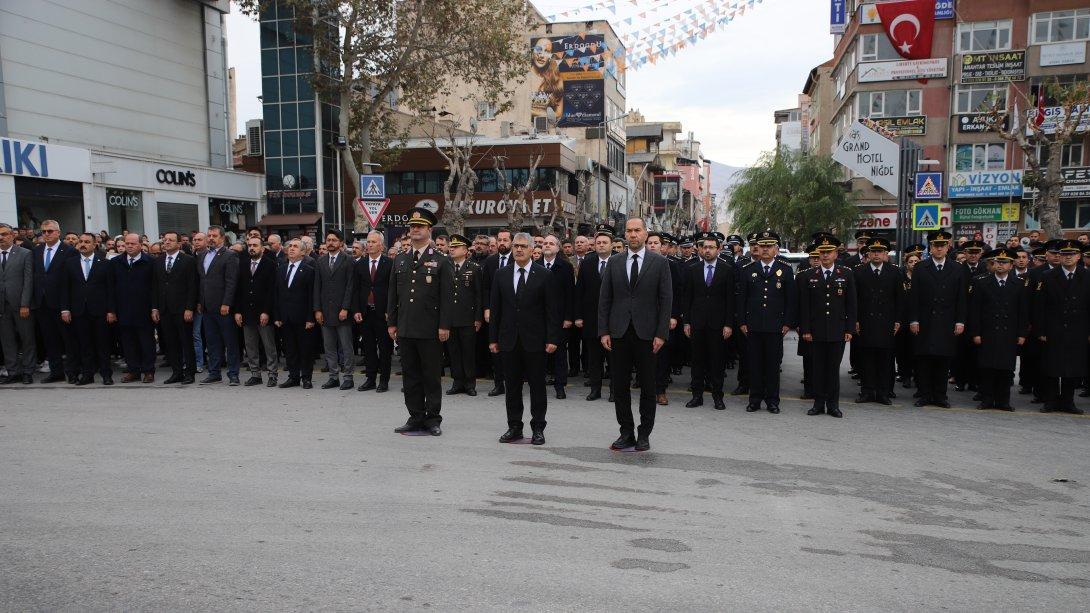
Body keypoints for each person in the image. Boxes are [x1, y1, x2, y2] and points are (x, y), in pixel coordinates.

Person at [598, 218, 672, 452]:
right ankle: (626, 432)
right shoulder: (615, 262)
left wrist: (661, 333)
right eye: (629, 231)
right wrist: (604, 331)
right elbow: (605, 299)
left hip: (648, 334)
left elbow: (665, 300)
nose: (632, 235)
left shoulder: (659, 263)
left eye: (637, 230)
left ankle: (644, 433)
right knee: (619, 386)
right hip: (619, 332)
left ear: (645, 233)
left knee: (648, 387)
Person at [489, 232, 560, 445]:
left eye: (522, 246)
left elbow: (552, 311)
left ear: (532, 250)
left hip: (536, 341)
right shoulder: (501, 274)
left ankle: (538, 427)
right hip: (508, 340)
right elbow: (496, 309)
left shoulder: (544, 275)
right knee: (512, 387)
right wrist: (493, 339)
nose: (518, 249)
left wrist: (552, 338)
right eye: (515, 246)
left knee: (537, 386)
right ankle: (514, 426)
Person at [387, 207, 453, 436]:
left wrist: (444, 325)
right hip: (405, 327)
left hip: (430, 329)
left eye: (420, 226)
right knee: (411, 376)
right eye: (412, 226)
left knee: (431, 376)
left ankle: (433, 419)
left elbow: (447, 298)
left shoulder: (441, 261)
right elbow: (392, 294)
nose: (415, 230)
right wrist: (392, 323)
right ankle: (415, 416)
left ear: (429, 230)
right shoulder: (401, 260)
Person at [796, 233, 856, 417]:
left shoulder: (845, 274)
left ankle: (833, 405)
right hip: (816, 331)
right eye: (822, 252)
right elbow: (804, 306)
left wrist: (849, 328)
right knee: (818, 369)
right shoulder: (808, 275)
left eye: (829, 252)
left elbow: (851, 304)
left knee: (833, 369)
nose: (825, 256)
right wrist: (805, 329)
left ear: (836, 254)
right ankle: (817, 404)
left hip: (837, 331)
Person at [737, 230, 796, 414]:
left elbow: (790, 300)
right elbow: (742, 299)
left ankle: (772, 400)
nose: (764, 249)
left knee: (772, 366)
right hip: (753, 326)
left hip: (775, 327)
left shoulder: (785, 270)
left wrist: (787, 323)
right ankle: (755, 399)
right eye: (762, 246)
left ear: (776, 249)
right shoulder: (748, 270)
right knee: (754, 364)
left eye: (769, 246)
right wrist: (742, 322)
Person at [908, 230, 968, 408]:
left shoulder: (957, 268)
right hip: (925, 321)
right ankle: (925, 394)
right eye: (936, 246)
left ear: (948, 247)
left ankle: (940, 396)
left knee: (943, 360)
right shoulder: (921, 267)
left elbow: (961, 298)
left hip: (947, 321)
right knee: (925, 360)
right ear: (931, 248)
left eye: (943, 245)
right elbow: (914, 297)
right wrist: (913, 320)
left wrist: (960, 321)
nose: (939, 249)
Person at [968, 248, 1027, 411]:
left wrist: (1022, 333)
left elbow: (1023, 311)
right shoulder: (982, 283)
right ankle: (987, 399)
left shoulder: (1019, 284)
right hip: (988, 332)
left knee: (1006, 368)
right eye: (997, 262)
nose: (1000, 265)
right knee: (987, 368)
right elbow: (975, 310)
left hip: (1009, 333)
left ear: (1011, 265)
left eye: (1004, 262)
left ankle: (1003, 401)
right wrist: (976, 333)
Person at [1034, 239, 1089, 414]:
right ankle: (1050, 401)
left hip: (1077, 330)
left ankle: (1068, 402)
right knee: (1052, 367)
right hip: (1053, 329)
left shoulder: (1087, 276)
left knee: (1072, 368)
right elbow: (1039, 306)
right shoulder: (1047, 276)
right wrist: (1041, 330)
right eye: (1064, 254)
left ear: (1079, 256)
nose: (1067, 258)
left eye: (1071, 254)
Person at [682, 231, 734, 411]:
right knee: (697, 362)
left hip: (718, 325)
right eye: (704, 247)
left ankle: (718, 397)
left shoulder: (727, 270)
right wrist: (686, 322)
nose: (707, 250)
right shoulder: (692, 269)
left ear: (718, 249)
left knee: (717, 362)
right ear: (700, 249)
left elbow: (730, 300)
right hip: (697, 323)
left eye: (711, 247)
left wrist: (728, 324)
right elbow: (687, 298)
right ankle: (697, 396)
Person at [58, 233, 113, 385]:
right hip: (78, 310)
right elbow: (65, 288)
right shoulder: (70, 263)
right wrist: (65, 309)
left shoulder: (105, 263)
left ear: (95, 244)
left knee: (103, 344)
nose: (83, 244)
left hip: (100, 310)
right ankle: (87, 375)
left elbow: (110, 289)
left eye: (87, 242)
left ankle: (106, 375)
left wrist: (111, 310)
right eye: (80, 242)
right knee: (84, 344)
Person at [853, 237, 901, 405]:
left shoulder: (895, 272)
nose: (876, 254)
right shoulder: (859, 271)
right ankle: (867, 391)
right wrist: (855, 320)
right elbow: (855, 299)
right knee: (866, 359)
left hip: (886, 322)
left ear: (885, 254)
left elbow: (899, 299)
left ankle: (883, 392)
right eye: (873, 251)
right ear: (869, 253)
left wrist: (898, 320)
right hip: (865, 322)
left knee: (885, 360)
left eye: (880, 251)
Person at [32, 220, 78, 383]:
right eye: (44, 231)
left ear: (58, 232)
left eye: (50, 231)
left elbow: (72, 280)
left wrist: (68, 305)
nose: (46, 234)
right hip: (42, 303)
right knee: (50, 339)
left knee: (68, 339)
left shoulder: (69, 251)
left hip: (62, 303)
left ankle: (72, 371)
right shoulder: (36, 251)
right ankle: (56, 371)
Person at [107, 233, 156, 383]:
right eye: (127, 243)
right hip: (123, 309)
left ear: (141, 245)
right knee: (128, 342)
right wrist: (111, 310)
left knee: (146, 342)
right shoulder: (115, 262)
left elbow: (155, 287)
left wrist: (154, 308)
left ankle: (148, 371)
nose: (129, 246)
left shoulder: (150, 262)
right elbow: (110, 288)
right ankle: (133, 370)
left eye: (133, 243)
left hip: (144, 310)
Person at [152, 231, 198, 385]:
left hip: (182, 308)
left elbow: (192, 286)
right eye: (165, 240)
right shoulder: (158, 261)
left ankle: (189, 373)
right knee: (171, 343)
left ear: (179, 243)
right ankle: (176, 372)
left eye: (171, 240)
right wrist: (155, 308)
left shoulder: (188, 260)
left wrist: (189, 308)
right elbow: (155, 286)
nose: (167, 243)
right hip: (165, 309)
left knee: (186, 342)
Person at [313, 230, 356, 390]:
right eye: (328, 240)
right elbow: (317, 286)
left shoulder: (348, 260)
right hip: (325, 311)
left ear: (341, 243)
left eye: (334, 240)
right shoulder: (321, 261)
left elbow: (350, 286)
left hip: (342, 311)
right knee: (329, 346)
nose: (330, 242)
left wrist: (345, 308)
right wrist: (317, 309)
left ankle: (348, 377)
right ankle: (333, 376)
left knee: (346, 346)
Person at [233, 235, 279, 387]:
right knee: (250, 345)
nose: (252, 248)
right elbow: (238, 290)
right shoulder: (242, 264)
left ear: (262, 248)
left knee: (268, 345)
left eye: (255, 245)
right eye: (250, 245)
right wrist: (238, 311)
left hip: (263, 312)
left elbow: (272, 291)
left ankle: (272, 374)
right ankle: (255, 374)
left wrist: (266, 311)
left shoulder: (270, 265)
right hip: (247, 312)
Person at [198, 226, 241, 385]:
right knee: (212, 341)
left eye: (214, 236)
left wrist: (226, 303)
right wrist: (200, 302)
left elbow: (231, 282)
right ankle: (214, 372)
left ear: (222, 238)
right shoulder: (202, 255)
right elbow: (202, 281)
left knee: (230, 342)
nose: (211, 238)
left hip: (223, 307)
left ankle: (233, 374)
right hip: (207, 307)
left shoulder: (230, 256)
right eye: (209, 235)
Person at [576, 225, 614, 402]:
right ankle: (595, 389)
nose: (601, 245)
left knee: (614, 359)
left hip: (614, 320)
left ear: (611, 245)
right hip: (591, 319)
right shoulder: (587, 263)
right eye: (598, 242)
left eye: (605, 242)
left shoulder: (619, 262)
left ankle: (615, 391)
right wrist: (579, 315)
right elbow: (580, 291)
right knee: (594, 358)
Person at [273, 238, 317, 389]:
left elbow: (312, 296)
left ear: (303, 252)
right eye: (290, 246)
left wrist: (310, 318)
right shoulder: (280, 269)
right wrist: (277, 316)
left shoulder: (309, 270)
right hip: (285, 317)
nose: (291, 249)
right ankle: (293, 377)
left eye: (296, 247)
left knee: (305, 349)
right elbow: (277, 294)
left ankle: (306, 378)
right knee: (290, 349)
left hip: (303, 317)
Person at [353, 231, 393, 393]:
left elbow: (393, 290)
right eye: (368, 242)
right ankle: (370, 379)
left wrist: (390, 311)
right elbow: (355, 289)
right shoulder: (360, 264)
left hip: (383, 313)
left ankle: (384, 380)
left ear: (381, 246)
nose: (369, 244)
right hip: (365, 312)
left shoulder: (389, 263)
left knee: (384, 348)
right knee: (368, 348)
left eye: (373, 242)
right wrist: (356, 309)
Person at [443, 234, 483, 396]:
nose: (452, 249)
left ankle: (469, 383)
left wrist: (478, 317)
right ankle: (457, 381)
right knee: (453, 352)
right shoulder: (445, 266)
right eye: (451, 247)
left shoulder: (474, 268)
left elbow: (479, 294)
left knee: (468, 352)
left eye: (456, 247)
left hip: (468, 318)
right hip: (450, 318)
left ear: (466, 250)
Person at [649, 231, 683, 406]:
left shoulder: (672, 265)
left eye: (656, 243)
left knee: (662, 356)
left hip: (664, 317)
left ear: (663, 246)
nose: (653, 245)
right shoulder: (639, 264)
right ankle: (647, 390)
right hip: (645, 317)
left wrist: (673, 315)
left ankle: (660, 391)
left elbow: (676, 293)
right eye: (650, 242)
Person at [0, 223, 36, 384]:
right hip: (2, 306)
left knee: (27, 338)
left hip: (20, 304)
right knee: (7, 340)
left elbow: (28, 281)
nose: (1, 237)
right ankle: (12, 371)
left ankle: (28, 371)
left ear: (12, 235)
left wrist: (25, 304)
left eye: (4, 234)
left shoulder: (25, 253)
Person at [540, 234, 575, 399]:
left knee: (560, 354)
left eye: (551, 243)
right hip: (538, 317)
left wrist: (569, 317)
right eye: (545, 243)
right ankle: (538, 384)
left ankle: (560, 386)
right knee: (539, 354)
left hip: (559, 317)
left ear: (557, 248)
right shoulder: (535, 264)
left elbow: (570, 294)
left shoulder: (565, 267)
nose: (547, 245)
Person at [482, 229, 514, 397]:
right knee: (495, 348)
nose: (502, 243)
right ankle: (498, 383)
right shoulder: (490, 261)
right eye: (499, 240)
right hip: (494, 311)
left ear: (511, 242)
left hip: (512, 311)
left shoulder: (517, 259)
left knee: (511, 349)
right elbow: (485, 287)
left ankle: (513, 384)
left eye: (505, 240)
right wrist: (487, 308)